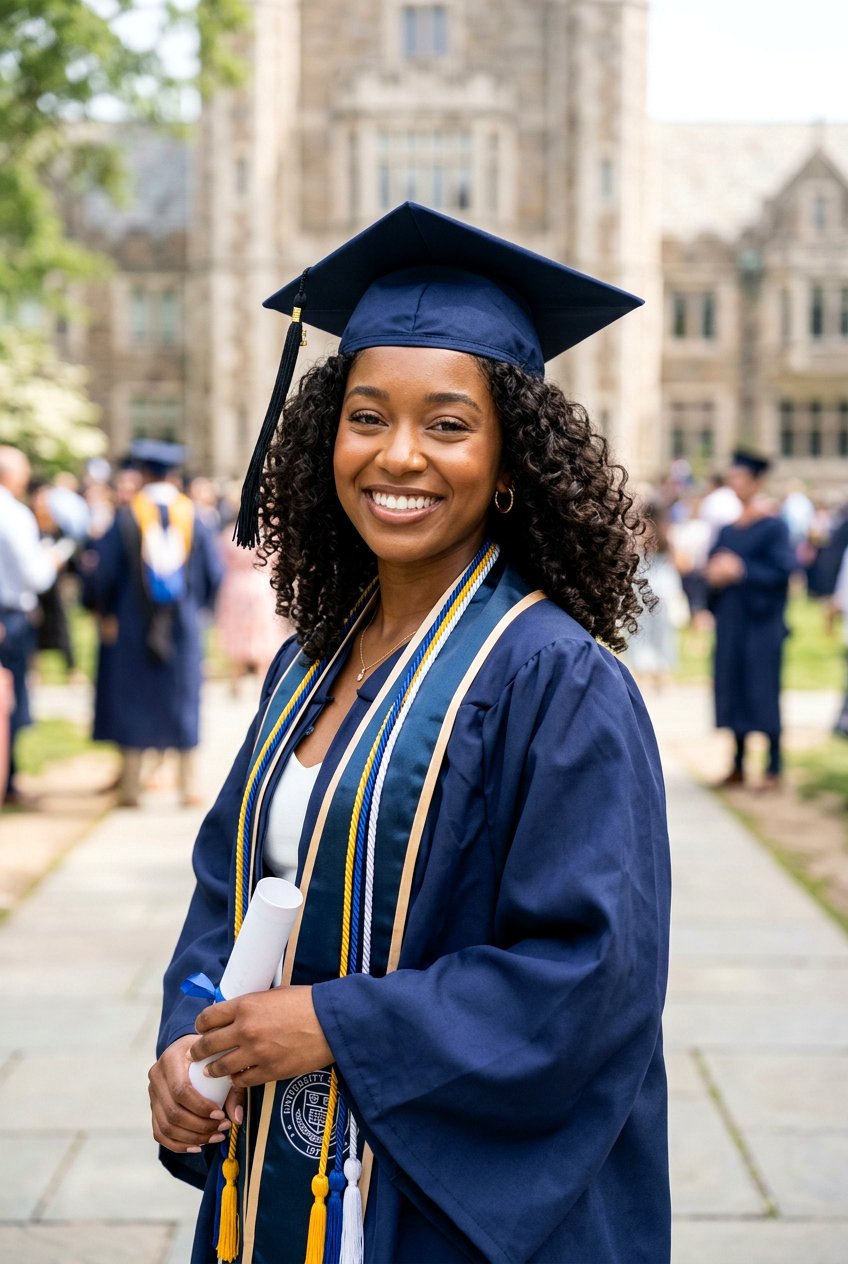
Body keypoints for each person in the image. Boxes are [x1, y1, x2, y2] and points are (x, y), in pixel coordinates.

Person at [149, 203, 671, 1264]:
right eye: (366, 416)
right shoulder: (307, 665)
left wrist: (337, 1025)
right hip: (274, 1175)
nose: (398, 456)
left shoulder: (556, 680)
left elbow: (591, 974)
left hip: (436, 1212)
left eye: (447, 424)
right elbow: (227, 889)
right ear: (324, 440)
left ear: (510, 461)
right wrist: (188, 1040)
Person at [83, 440, 222, 807]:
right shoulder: (194, 517)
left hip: (132, 625)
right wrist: (198, 610)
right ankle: (188, 786)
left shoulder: (126, 516)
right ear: (173, 476)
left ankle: (130, 787)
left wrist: (104, 610)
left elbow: (104, 575)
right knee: (182, 697)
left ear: (143, 474)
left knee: (134, 697)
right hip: (183, 625)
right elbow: (213, 574)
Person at [705, 451, 795, 789]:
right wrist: (713, 575)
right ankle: (738, 763)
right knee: (734, 686)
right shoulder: (727, 530)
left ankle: (773, 766)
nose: (735, 483)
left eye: (741, 478)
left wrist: (741, 570)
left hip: (762, 624)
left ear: (757, 482)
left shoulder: (773, 526)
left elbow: (783, 571)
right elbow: (710, 567)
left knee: (763, 689)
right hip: (731, 622)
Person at [0, 445, 70, 805]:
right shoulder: (14, 515)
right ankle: (8, 780)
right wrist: (54, 558)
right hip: (9, 617)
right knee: (9, 703)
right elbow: (35, 576)